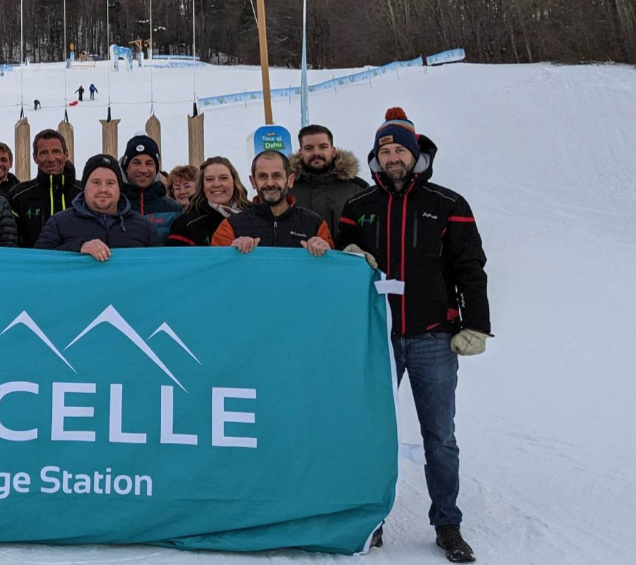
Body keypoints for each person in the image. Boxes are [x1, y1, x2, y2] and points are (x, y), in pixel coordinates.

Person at [337, 108, 490, 563]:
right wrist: (348, 254)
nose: (392, 157)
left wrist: (475, 323)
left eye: (399, 149)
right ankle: (371, 518)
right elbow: (341, 264)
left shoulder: (448, 203)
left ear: (415, 153)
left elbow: (470, 267)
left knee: (439, 435)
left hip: (431, 337)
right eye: (384, 151)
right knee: (371, 431)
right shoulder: (359, 206)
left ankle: (447, 524)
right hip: (378, 337)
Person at [34, 154, 159, 259]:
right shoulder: (59, 222)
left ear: (119, 189)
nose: (103, 189)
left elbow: (161, 265)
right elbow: (39, 260)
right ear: (84, 187)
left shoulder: (144, 226)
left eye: (110, 183)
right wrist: (78, 247)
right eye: (96, 182)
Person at [210, 150, 333, 256]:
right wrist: (231, 252)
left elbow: (332, 269)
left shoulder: (315, 224)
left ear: (290, 180)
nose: (270, 183)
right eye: (263, 176)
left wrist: (326, 252)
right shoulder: (230, 227)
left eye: (277, 176)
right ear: (253, 181)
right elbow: (215, 269)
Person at [290, 124, 370, 237]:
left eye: (323, 147)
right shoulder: (287, 189)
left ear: (333, 151)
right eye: (309, 148)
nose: (316, 153)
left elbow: (371, 230)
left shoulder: (358, 189)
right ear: (301, 153)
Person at [10, 129, 81, 247]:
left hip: (77, 258)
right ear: (35, 158)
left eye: (56, 152)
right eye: (43, 153)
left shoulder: (84, 193)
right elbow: (10, 241)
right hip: (33, 259)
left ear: (66, 155)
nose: (51, 159)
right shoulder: (19, 195)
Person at [166, 157, 250, 246]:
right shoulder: (185, 224)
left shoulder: (255, 214)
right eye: (209, 179)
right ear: (202, 185)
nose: (217, 184)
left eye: (224, 178)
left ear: (234, 182)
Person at [120, 134, 182, 241]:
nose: (143, 170)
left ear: (156, 169)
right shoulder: (114, 206)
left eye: (149, 163)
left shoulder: (173, 208)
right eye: (136, 163)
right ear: (126, 167)